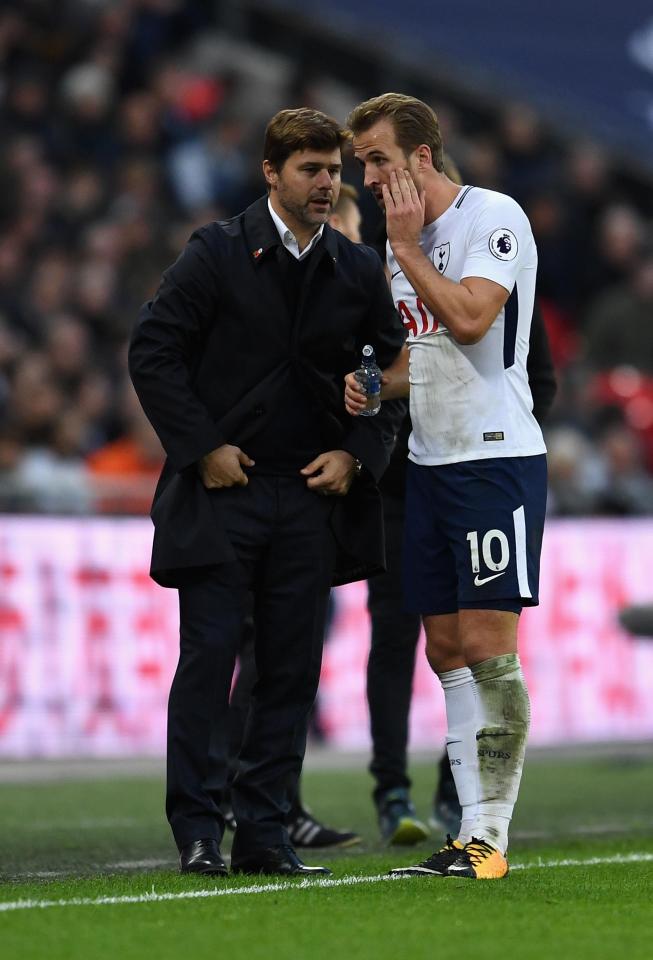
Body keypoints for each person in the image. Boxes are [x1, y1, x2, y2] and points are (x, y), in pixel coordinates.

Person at [129, 107, 407, 878]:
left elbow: (391, 379)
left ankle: (265, 831)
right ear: (270, 173)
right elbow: (151, 352)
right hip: (224, 492)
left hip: (308, 498)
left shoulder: (355, 268)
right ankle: (196, 829)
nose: (328, 184)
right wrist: (200, 448)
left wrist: (357, 456)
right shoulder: (214, 252)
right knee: (209, 660)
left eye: (335, 171)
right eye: (311, 170)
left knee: (288, 670)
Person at [345, 93, 547, 880]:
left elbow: (468, 320)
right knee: (444, 649)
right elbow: (423, 359)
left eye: (376, 160)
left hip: (494, 459)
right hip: (427, 465)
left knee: (491, 649)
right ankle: (466, 834)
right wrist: (372, 385)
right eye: (362, 161)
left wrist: (406, 249)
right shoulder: (407, 248)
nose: (366, 176)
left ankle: (490, 841)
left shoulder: (489, 216)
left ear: (420, 158)